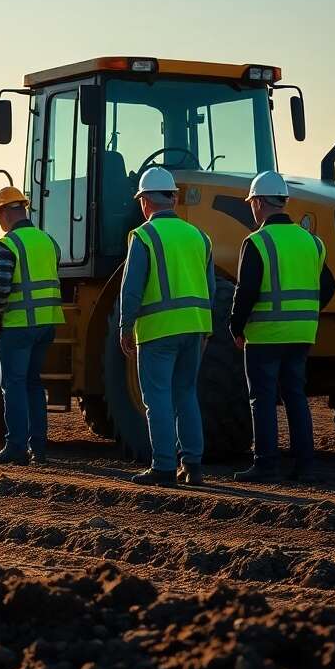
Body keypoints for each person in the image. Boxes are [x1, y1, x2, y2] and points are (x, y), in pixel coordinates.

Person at [230, 171, 335, 482]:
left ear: (260, 203)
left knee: (262, 399)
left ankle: (265, 465)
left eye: (252, 203)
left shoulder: (257, 242)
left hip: (265, 335)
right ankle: (304, 465)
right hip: (301, 334)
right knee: (295, 396)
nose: (252, 208)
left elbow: (245, 291)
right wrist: (306, 313)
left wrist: (236, 326)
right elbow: (328, 286)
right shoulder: (312, 242)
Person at [118, 168, 215, 486]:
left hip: (158, 331)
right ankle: (193, 465)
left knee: (157, 398)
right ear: (173, 198)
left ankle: (162, 466)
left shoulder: (143, 236)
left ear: (144, 201)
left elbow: (131, 289)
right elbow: (210, 289)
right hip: (195, 328)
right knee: (186, 394)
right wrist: (205, 330)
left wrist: (125, 326)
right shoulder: (200, 236)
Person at [0, 186, 66, 466]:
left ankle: (16, 447)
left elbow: (1, 286)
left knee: (13, 385)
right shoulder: (48, 242)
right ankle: (39, 449)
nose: (1, 224)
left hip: (18, 325)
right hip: (47, 324)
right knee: (34, 384)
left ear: (6, 212)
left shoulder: (7, 246)